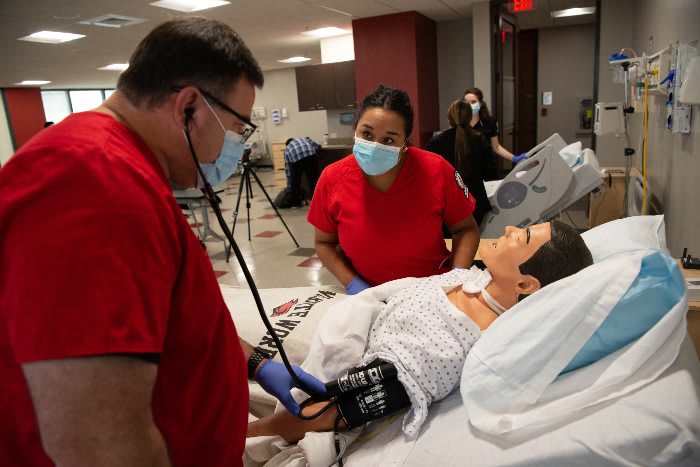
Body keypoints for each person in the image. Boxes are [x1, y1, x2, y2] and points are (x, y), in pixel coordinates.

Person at [0, 18, 324, 466]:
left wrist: (250, 363)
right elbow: (98, 442)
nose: (235, 146)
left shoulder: (126, 171)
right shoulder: (91, 180)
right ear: (190, 106)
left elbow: (168, 315)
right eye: (237, 128)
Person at [247, 220, 593, 443]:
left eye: (525, 236)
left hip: (353, 360)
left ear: (525, 283)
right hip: (358, 316)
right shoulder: (475, 278)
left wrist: (257, 431)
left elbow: (335, 410)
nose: (509, 229)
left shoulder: (456, 346)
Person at [307, 85, 481, 295]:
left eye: (389, 139)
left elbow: (466, 229)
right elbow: (324, 243)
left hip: (433, 292)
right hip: (370, 296)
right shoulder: (332, 179)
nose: (374, 146)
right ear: (356, 129)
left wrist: (456, 279)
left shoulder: (435, 170)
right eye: (367, 134)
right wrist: (354, 285)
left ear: (404, 142)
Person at [425, 99, 499, 225]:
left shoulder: (435, 143)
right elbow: (491, 173)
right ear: (470, 118)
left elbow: (427, 176)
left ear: (449, 119)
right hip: (475, 207)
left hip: (446, 207)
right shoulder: (479, 140)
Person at [463, 87, 528, 165]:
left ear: (480, 103)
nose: (470, 105)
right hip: (466, 166)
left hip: (486, 165)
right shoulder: (460, 123)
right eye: (466, 102)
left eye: (473, 102)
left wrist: (514, 158)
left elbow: (496, 147)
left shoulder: (490, 121)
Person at [278, 136, 321, 208]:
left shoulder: (287, 149)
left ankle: (296, 203)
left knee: (295, 182)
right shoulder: (304, 139)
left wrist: (289, 184)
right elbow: (318, 145)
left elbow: (288, 168)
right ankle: (318, 201)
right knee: (313, 180)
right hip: (311, 156)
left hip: (297, 159)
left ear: (287, 144)